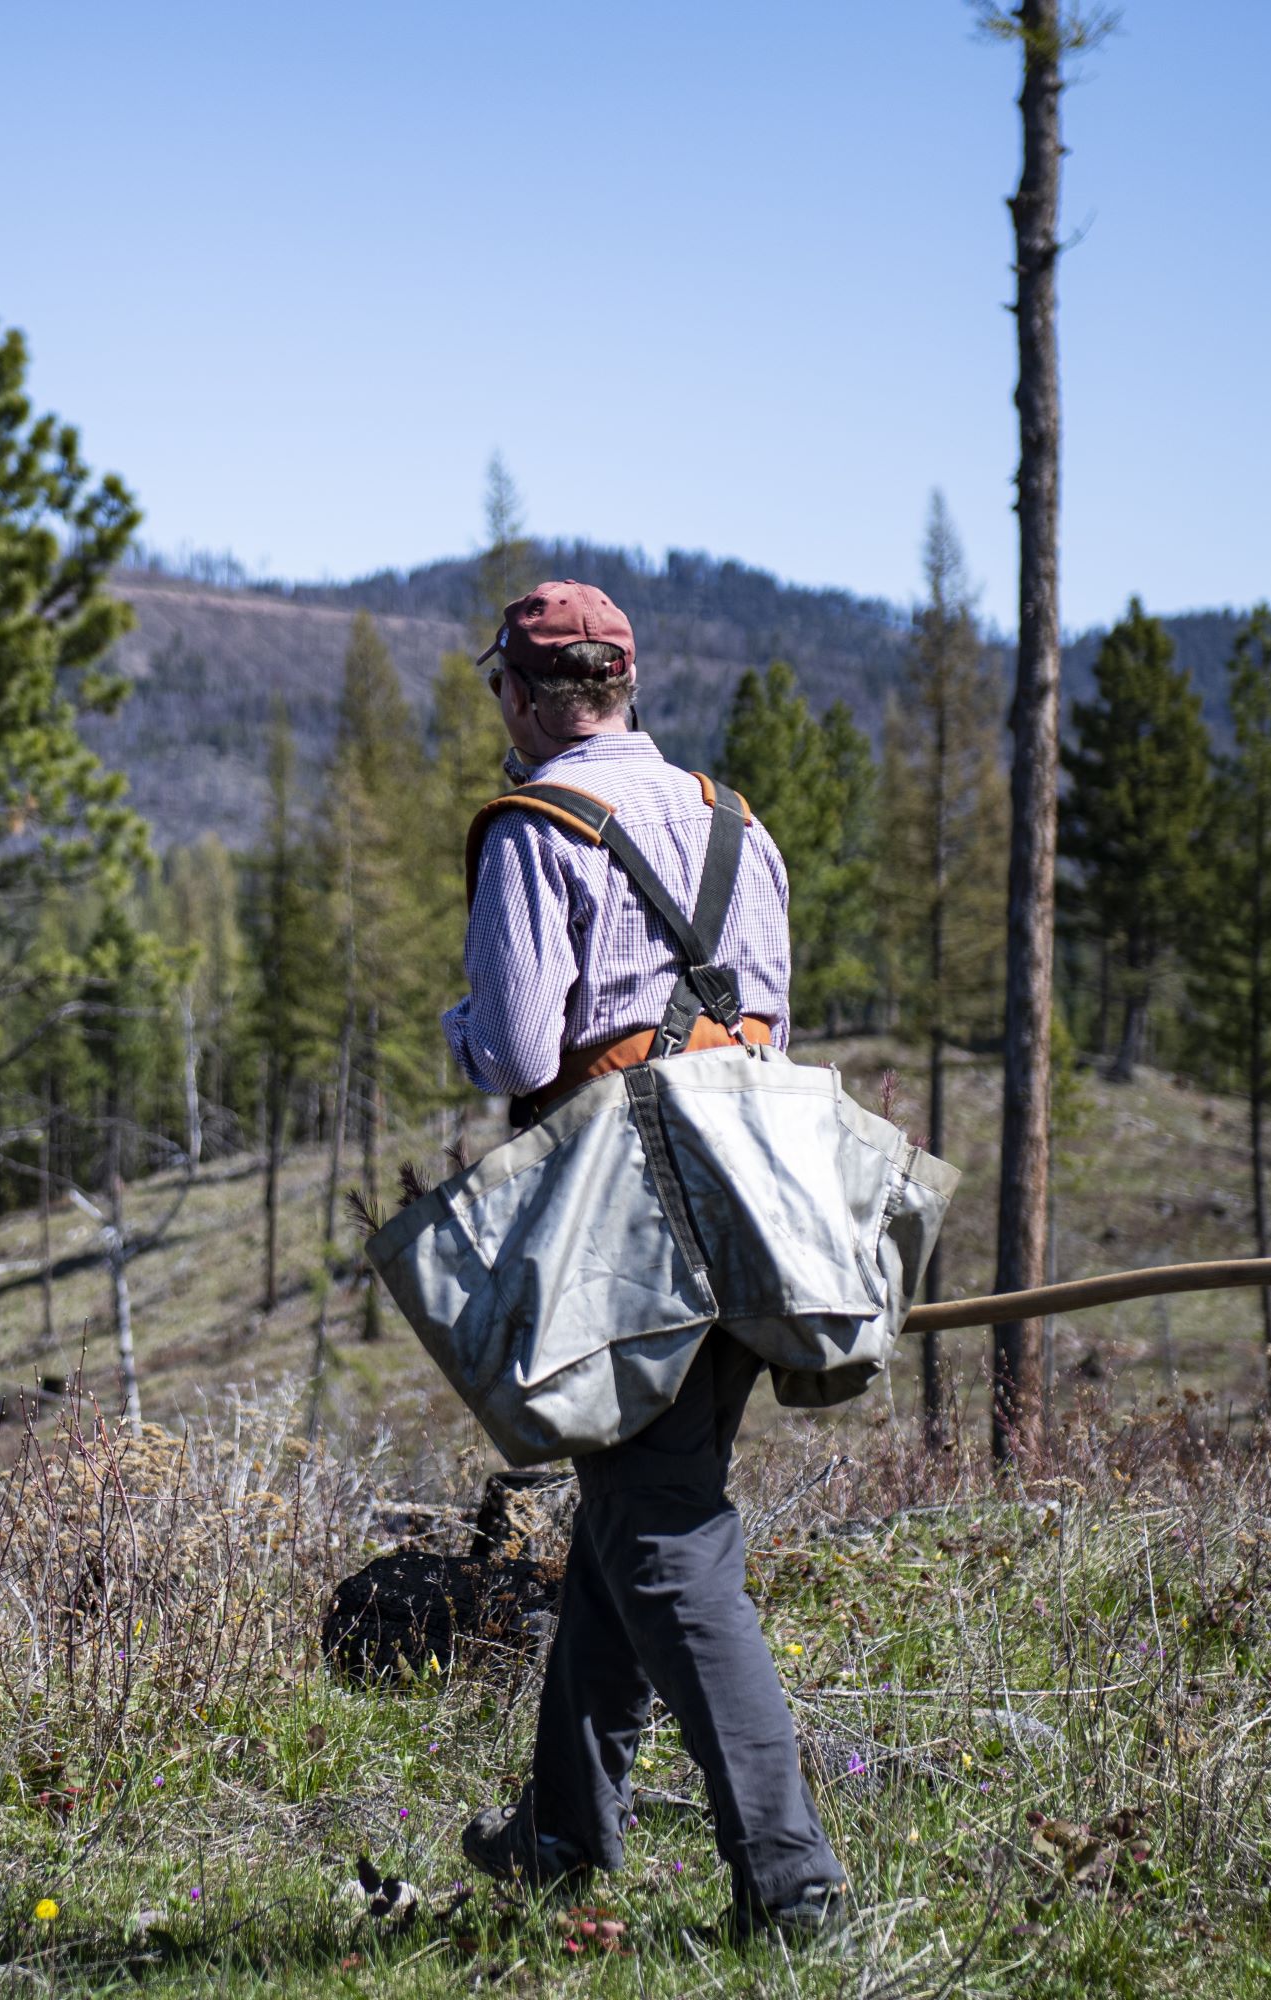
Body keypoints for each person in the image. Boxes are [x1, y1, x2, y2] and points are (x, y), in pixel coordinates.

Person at [445, 580, 848, 1942]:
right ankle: (563, 1834)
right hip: (769, 1197)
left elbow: (511, 1048)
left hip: (629, 1209)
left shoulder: (535, 829)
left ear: (520, 691)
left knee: (665, 1532)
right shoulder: (740, 821)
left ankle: (790, 1885)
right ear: (623, 684)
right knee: (637, 1504)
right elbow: (774, 1025)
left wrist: (457, 1023)